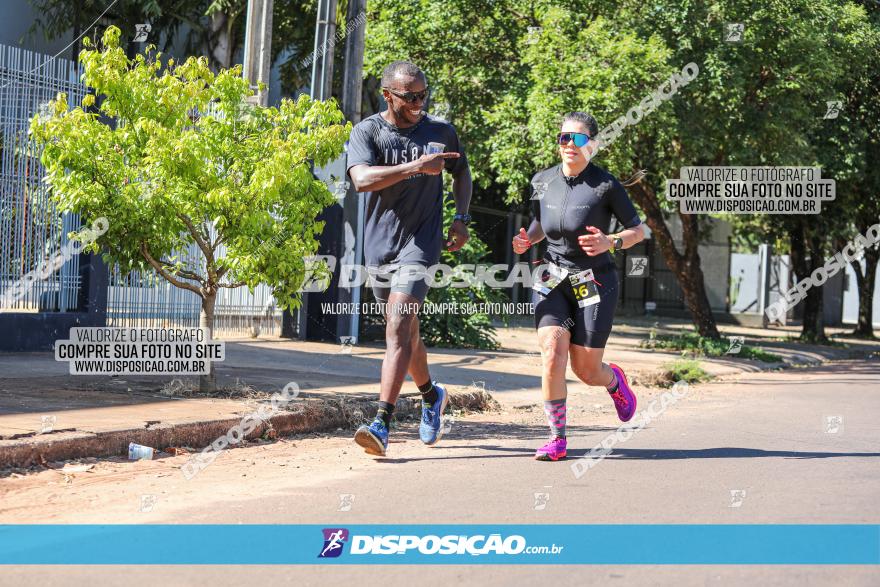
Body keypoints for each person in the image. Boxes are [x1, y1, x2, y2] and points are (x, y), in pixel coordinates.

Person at [346, 61, 473, 456]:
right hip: (380, 245)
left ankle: (382, 421)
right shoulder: (368, 131)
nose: (420, 102)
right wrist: (415, 167)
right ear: (388, 95)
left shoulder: (440, 131)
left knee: (400, 322)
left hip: (422, 241)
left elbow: (462, 171)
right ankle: (432, 395)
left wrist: (461, 218)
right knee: (406, 329)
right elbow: (362, 180)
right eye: (410, 96)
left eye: (423, 94)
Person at [511, 111, 645, 461]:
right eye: (564, 138)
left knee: (586, 370)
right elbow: (541, 222)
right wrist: (528, 239)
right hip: (551, 276)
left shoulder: (606, 185)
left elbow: (638, 231)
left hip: (593, 280)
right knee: (552, 353)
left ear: (594, 145)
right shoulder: (542, 180)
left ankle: (614, 381)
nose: (570, 144)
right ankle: (557, 439)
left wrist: (611, 242)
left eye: (579, 139)